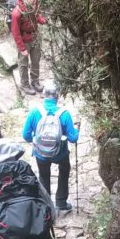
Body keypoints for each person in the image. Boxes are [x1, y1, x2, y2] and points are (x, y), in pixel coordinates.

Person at [22, 81, 79, 213]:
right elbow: (73, 138)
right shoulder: (64, 114)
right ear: (57, 96)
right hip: (60, 153)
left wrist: (36, 139)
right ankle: (61, 202)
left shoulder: (35, 112)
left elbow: (25, 135)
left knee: (43, 176)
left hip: (41, 154)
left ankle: (47, 206)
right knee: (64, 171)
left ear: (43, 95)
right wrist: (77, 130)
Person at [10, 0, 47, 94]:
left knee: (36, 61)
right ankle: (24, 84)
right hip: (24, 40)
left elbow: (37, 15)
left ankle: (35, 81)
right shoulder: (17, 13)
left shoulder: (33, 6)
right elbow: (15, 32)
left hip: (35, 37)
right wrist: (22, 48)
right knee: (23, 64)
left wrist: (42, 20)